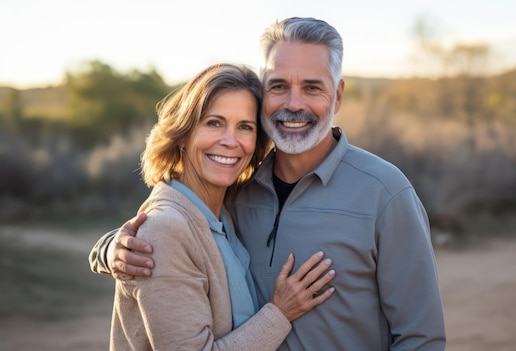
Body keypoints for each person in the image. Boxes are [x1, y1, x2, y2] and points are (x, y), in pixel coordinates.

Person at [90, 17, 446, 350]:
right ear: (263, 95)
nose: (293, 104)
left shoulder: (385, 192)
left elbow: (420, 337)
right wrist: (111, 250)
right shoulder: (236, 191)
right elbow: (168, 229)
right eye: (278, 86)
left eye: (312, 88)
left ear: (337, 95)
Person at [103, 63, 336, 350]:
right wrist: (280, 313)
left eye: (245, 127)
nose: (230, 141)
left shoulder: (223, 212)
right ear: (183, 136)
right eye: (214, 123)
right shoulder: (166, 228)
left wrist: (105, 248)